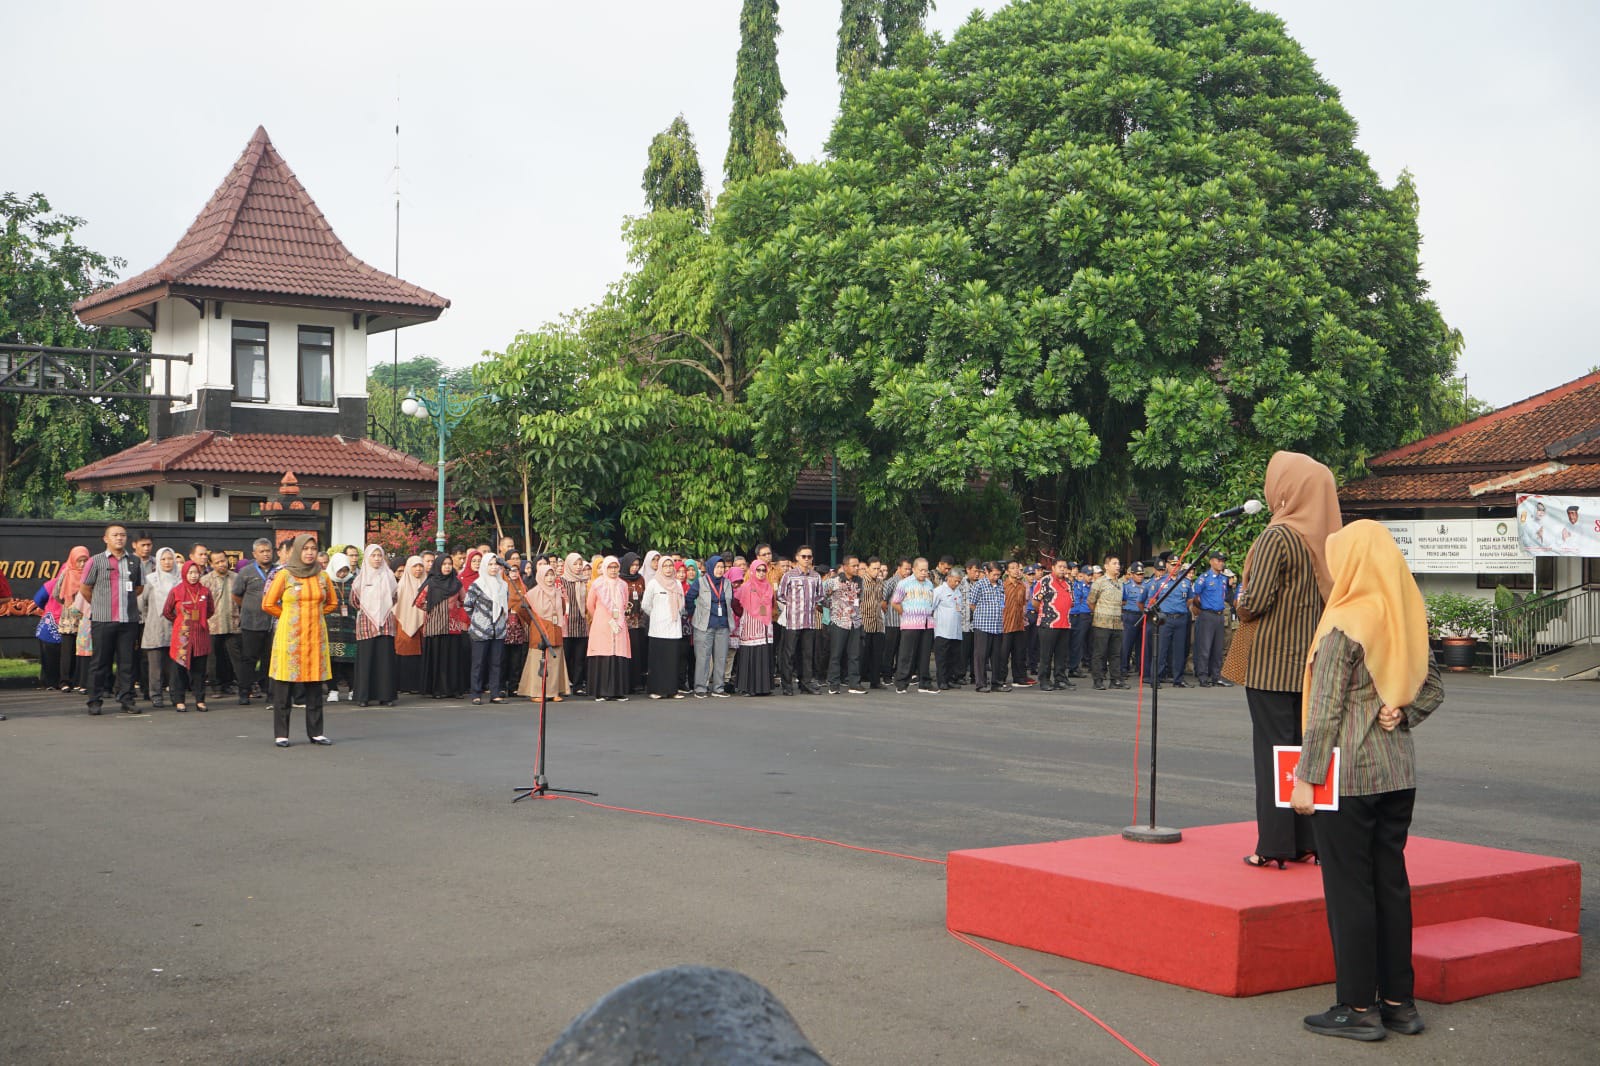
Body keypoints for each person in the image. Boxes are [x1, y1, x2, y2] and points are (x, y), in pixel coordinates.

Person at [1292, 520, 1443, 1041]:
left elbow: (1325, 711)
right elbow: (1432, 688)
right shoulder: (1405, 615)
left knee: (1350, 890)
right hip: (1398, 772)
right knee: (1391, 885)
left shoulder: (1345, 621)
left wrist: (1304, 779)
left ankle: (1358, 1008)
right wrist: (1399, 710)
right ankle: (1400, 1004)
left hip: (1348, 775)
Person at [1227, 450, 1342, 868]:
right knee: (1305, 749)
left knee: (1272, 752)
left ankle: (1274, 845)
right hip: (1309, 664)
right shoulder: (1327, 539)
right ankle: (1310, 840)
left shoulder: (1278, 536)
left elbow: (1255, 600)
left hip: (1270, 664)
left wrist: (1239, 602)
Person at [261, 534, 337, 747]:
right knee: (284, 685)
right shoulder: (284, 575)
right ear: (297, 551)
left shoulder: (323, 577)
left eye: (313, 548)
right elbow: (268, 603)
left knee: (314, 685)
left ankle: (316, 733)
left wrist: (315, 613)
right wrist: (289, 616)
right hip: (290, 638)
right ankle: (282, 734)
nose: (310, 552)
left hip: (315, 637)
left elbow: (332, 602)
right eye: (305, 549)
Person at [350, 543, 399, 706]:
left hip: (385, 623)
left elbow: (394, 598)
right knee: (366, 659)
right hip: (366, 624)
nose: (377, 559)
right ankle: (363, 696)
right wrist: (369, 610)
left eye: (379, 555)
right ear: (367, 557)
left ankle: (386, 696)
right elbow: (354, 601)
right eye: (373, 555)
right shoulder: (360, 578)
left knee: (384, 660)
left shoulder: (390, 576)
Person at [162, 560, 213, 711]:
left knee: (199, 669)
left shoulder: (205, 591)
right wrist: (180, 620)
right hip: (182, 636)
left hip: (200, 633)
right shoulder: (176, 591)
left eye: (196, 572)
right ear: (184, 573)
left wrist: (199, 620)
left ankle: (200, 699)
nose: (193, 576)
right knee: (179, 669)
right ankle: (179, 700)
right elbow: (167, 611)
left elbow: (210, 610)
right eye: (190, 573)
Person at [517, 559, 570, 702]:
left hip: (555, 629)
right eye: (546, 575)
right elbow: (522, 611)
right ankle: (536, 692)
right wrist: (534, 622)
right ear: (540, 576)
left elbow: (563, 610)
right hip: (539, 630)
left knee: (555, 661)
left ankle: (554, 691)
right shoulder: (533, 593)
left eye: (552, 575)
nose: (550, 578)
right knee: (538, 661)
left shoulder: (558, 593)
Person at [232, 538, 277, 706]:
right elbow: (236, 594)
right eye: (262, 551)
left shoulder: (278, 571)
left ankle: (271, 693)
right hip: (251, 623)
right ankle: (244, 692)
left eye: (268, 551)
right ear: (254, 554)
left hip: (273, 623)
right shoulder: (246, 572)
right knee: (249, 659)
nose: (266, 554)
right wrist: (249, 608)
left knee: (271, 659)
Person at [776, 546, 823, 696]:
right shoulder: (789, 575)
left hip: (809, 620)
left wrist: (810, 604)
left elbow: (820, 595)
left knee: (807, 654)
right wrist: (792, 605)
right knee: (789, 654)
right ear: (797, 557)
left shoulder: (815, 576)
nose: (807, 559)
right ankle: (787, 685)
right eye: (804, 556)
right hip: (792, 621)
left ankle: (806, 684)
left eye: (809, 556)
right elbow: (780, 595)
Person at [420, 554, 468, 699]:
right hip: (435, 627)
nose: (447, 567)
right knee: (437, 659)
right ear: (438, 566)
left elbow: (465, 600)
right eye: (444, 564)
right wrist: (433, 608)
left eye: (449, 564)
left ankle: (453, 690)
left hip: (453, 627)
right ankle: (437, 690)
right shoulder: (431, 583)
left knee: (452, 659)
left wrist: (456, 607)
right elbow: (418, 601)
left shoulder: (457, 584)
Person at [464, 553, 510, 704]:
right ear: (484, 566)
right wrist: (479, 620)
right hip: (480, 630)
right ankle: (476, 694)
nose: (494, 567)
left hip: (499, 629)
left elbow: (506, 604)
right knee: (479, 663)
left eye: (496, 564)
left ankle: (495, 693)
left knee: (497, 662)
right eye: (490, 564)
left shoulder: (503, 585)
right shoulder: (477, 585)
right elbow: (468, 605)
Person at [137, 547, 180, 707]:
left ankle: (176, 695)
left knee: (174, 667)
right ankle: (156, 695)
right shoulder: (150, 579)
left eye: (170, 559)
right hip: (155, 627)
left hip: (176, 627)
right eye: (163, 559)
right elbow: (142, 603)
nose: (167, 562)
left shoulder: (180, 580)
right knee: (155, 666)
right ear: (158, 561)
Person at [687, 555, 734, 698]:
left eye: (722, 567)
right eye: (717, 567)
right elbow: (689, 598)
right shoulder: (700, 582)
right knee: (703, 657)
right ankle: (701, 687)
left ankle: (718, 688)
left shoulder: (727, 583)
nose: (720, 570)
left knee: (721, 657)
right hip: (704, 625)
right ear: (710, 567)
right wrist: (694, 614)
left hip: (723, 625)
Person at [586, 556, 632, 701]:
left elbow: (625, 603)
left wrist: (617, 618)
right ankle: (601, 691)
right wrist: (600, 617)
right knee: (602, 655)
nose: (613, 570)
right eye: (610, 567)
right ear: (605, 568)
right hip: (602, 625)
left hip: (618, 624)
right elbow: (590, 605)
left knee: (617, 654)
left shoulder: (623, 585)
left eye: (615, 567)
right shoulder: (597, 584)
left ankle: (618, 691)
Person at [47, 545, 91, 693]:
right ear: (73, 560)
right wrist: (67, 605)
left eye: (85, 560)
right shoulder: (66, 573)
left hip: (85, 618)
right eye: (79, 561)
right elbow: (56, 593)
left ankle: (80, 680)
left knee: (82, 650)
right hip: (69, 618)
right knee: (67, 650)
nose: (83, 564)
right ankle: (65, 681)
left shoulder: (90, 573)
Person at [641, 556, 686, 700]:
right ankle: (657, 690)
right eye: (665, 566)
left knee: (672, 660)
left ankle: (672, 690)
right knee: (658, 661)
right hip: (658, 628)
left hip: (673, 627)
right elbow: (646, 605)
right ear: (660, 567)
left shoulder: (677, 583)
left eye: (670, 566)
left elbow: (682, 604)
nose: (668, 569)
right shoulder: (654, 583)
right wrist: (657, 615)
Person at [890, 558, 936, 693]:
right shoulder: (904, 583)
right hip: (910, 623)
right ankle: (901, 683)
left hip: (927, 623)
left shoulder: (929, 584)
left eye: (926, 570)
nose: (923, 573)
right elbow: (895, 602)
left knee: (925, 654)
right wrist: (905, 614)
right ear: (914, 569)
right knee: (906, 654)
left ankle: (924, 683)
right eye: (921, 570)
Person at [821, 555, 865, 695]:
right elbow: (821, 597)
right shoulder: (834, 581)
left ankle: (854, 683)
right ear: (845, 567)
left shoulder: (859, 581)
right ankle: (833, 684)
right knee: (836, 654)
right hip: (839, 621)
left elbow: (860, 598)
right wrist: (834, 607)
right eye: (854, 566)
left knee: (854, 654)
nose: (857, 568)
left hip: (855, 622)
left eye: (858, 565)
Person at [732, 559, 776, 696]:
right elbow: (735, 604)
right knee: (751, 655)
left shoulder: (768, 587)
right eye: (758, 570)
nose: (761, 573)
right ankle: (749, 687)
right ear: (752, 570)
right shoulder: (745, 587)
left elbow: (772, 604)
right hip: (750, 625)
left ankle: (764, 687)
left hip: (764, 626)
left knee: (763, 654)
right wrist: (746, 613)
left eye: (764, 570)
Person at [1148, 557, 1193, 686]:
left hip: (1180, 618)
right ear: (1167, 565)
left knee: (1179, 650)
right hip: (1165, 619)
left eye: (1177, 565)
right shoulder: (1159, 582)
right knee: (1161, 650)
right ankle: (1155, 678)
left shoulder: (1185, 582)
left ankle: (1178, 679)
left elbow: (1189, 599)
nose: (1175, 567)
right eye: (1173, 565)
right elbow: (1152, 601)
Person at [202, 552, 242, 695]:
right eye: (217, 562)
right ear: (211, 564)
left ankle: (232, 684)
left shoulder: (237, 578)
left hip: (233, 624)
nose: (221, 564)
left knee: (235, 657)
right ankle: (216, 686)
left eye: (223, 561)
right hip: (213, 624)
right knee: (213, 658)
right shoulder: (205, 580)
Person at [1190, 551, 1233, 687]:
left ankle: (1216, 676)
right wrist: (1202, 608)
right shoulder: (1204, 578)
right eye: (1218, 560)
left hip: (1220, 616)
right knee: (1205, 648)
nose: (1221, 563)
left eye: (1222, 561)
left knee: (1218, 648)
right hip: (1207, 615)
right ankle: (1203, 676)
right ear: (1211, 561)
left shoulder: (1223, 579)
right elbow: (1195, 595)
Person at [1033, 558, 1075, 691]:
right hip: (1049, 624)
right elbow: (1035, 602)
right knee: (1046, 654)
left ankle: (1060, 678)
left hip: (1065, 623)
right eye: (1060, 566)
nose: (1062, 569)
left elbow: (1071, 601)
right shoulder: (1045, 581)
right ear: (1053, 568)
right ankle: (1044, 680)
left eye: (1064, 567)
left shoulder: (1068, 582)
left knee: (1062, 654)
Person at [1088, 555, 1127, 690]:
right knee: (1100, 653)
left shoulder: (1121, 583)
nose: (1118, 566)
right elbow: (1091, 601)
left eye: (1118, 563)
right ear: (1106, 566)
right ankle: (1097, 680)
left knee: (1116, 653)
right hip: (1102, 624)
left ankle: (1115, 680)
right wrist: (1100, 613)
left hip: (1117, 623)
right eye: (1114, 563)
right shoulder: (1099, 582)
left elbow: (1124, 601)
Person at [968, 562, 1008, 693]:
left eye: (998, 575)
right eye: (994, 574)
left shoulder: (1001, 585)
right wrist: (983, 614)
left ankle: (996, 683)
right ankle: (981, 683)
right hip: (983, 626)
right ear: (987, 572)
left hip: (997, 626)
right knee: (981, 655)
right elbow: (972, 604)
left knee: (997, 656)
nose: (996, 577)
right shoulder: (979, 585)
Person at [324, 554, 356, 703]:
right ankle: (333, 690)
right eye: (340, 570)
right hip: (330, 628)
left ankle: (352, 689)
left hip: (349, 628)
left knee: (349, 661)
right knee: (333, 662)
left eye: (345, 570)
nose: (343, 574)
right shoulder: (326, 581)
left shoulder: (353, 581)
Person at [394, 555, 428, 694]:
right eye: (415, 566)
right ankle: (405, 685)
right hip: (404, 622)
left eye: (420, 566)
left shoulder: (428, 583)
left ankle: (421, 685)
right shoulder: (401, 584)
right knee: (407, 653)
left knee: (422, 655)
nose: (418, 569)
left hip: (424, 624)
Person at [560, 553, 591, 695]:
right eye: (575, 564)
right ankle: (564, 685)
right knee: (565, 657)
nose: (578, 567)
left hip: (581, 624)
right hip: (566, 625)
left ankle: (578, 685)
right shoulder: (561, 581)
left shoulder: (584, 581)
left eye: (580, 564)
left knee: (579, 658)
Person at [930, 567, 965, 691]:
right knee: (942, 658)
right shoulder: (939, 591)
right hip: (943, 630)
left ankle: (951, 679)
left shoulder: (958, 591)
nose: (957, 583)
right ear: (949, 577)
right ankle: (942, 681)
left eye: (959, 581)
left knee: (954, 657)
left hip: (955, 631)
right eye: (955, 580)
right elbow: (931, 608)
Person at [501, 549, 531, 694]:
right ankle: (501, 686)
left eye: (516, 571)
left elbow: (526, 602)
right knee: (502, 658)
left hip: (519, 626)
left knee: (516, 659)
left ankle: (513, 686)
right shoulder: (501, 584)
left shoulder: (522, 585)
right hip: (504, 626)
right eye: (510, 570)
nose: (513, 573)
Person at [619, 553, 648, 693]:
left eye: (637, 565)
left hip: (639, 622)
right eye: (632, 565)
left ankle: (637, 683)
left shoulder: (641, 579)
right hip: (624, 622)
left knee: (638, 651)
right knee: (626, 651)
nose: (635, 568)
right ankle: (626, 683)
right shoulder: (620, 579)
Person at [1001, 560, 1032, 686]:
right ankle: (1000, 679)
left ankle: (1018, 678)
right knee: (1003, 654)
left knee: (1019, 653)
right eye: (1012, 568)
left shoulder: (1022, 586)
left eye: (1017, 568)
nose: (1016, 570)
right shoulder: (1003, 586)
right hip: (1006, 624)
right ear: (1007, 571)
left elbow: (1024, 604)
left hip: (1019, 624)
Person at [859, 558, 886, 689]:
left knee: (877, 654)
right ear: (868, 568)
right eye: (874, 568)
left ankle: (875, 681)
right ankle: (857, 679)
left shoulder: (881, 582)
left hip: (878, 622)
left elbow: (881, 600)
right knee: (863, 653)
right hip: (864, 621)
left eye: (878, 569)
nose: (876, 571)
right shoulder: (861, 582)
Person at [1121, 563, 1148, 676]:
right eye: (1138, 574)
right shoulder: (1126, 586)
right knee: (1127, 643)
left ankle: (1140, 668)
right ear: (1132, 574)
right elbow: (1121, 601)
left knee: (1141, 644)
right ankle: (1123, 668)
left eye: (1142, 574)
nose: (1140, 576)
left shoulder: (1146, 585)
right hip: (1130, 615)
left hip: (1142, 615)